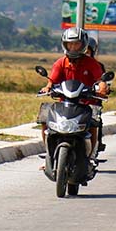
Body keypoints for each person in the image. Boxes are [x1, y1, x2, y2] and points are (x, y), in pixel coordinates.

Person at [40, 28, 109, 159]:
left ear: (83, 44)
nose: (73, 47)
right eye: (70, 44)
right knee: (45, 119)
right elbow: (52, 80)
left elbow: (100, 79)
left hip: (87, 103)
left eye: (76, 44)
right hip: (65, 103)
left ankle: (91, 155)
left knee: (94, 121)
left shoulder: (91, 63)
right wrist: (48, 87)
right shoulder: (60, 62)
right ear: (64, 44)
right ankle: (49, 154)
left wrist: (102, 88)